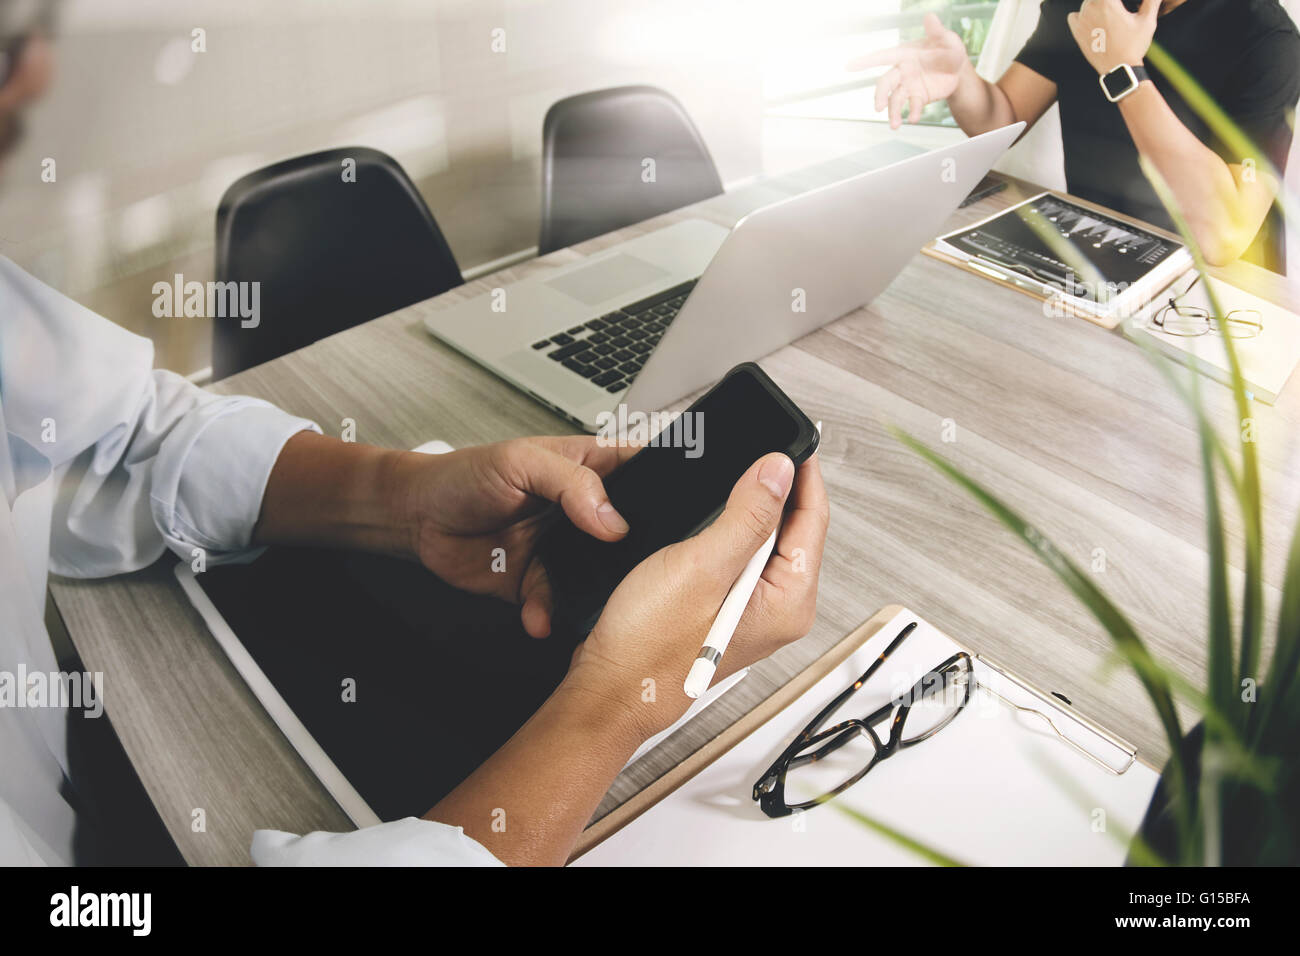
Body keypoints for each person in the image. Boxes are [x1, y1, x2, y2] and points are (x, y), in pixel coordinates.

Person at [0, 5, 829, 866]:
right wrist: (617, 704)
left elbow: (124, 435)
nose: (37, 80)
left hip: (59, 754)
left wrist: (406, 501)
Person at [852, 0, 1300, 273]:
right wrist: (962, 80)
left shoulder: (1269, 38)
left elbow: (1223, 238)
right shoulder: (1084, 6)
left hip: (1214, 302)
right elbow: (1002, 117)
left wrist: (1123, 72)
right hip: (1096, 254)